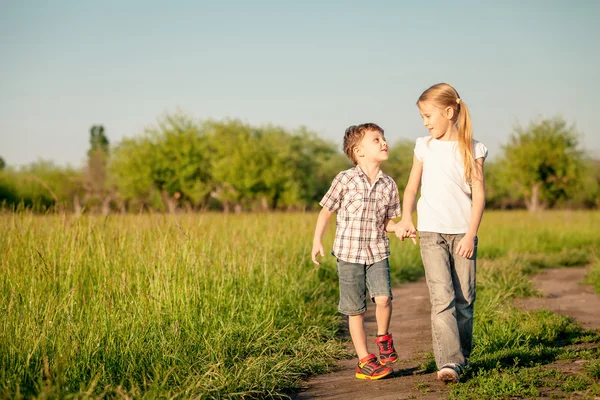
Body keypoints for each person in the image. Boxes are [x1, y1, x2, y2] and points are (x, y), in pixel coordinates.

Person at [397, 83, 487, 383]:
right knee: (442, 298)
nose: (425, 122)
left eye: (428, 115)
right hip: (430, 232)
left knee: (465, 301)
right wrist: (406, 217)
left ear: (449, 112)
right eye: (422, 117)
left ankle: (462, 357)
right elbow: (411, 187)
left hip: (462, 233)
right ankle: (449, 362)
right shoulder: (424, 146)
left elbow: (479, 194)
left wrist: (470, 235)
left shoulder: (473, 148)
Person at [311, 122, 403, 380]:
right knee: (355, 310)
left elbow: (387, 221)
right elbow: (326, 210)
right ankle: (364, 360)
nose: (384, 142)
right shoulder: (345, 179)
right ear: (358, 151)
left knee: (384, 298)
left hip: (377, 251)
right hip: (348, 254)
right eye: (376, 139)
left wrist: (400, 229)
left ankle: (383, 337)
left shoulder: (389, 184)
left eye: (383, 138)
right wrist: (317, 240)